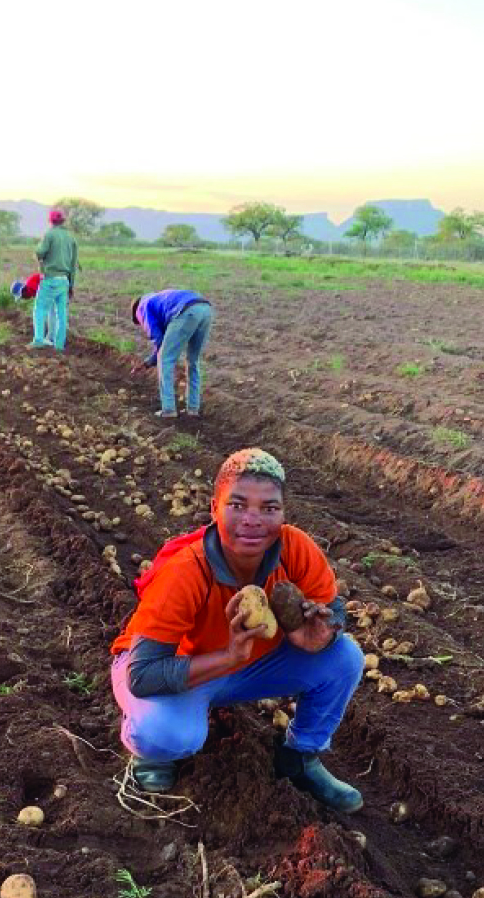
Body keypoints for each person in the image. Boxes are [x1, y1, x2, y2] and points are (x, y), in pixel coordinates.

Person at [110, 448, 364, 812]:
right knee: (165, 734)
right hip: (172, 668)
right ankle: (151, 756)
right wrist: (229, 656)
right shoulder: (186, 571)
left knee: (345, 658)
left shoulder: (295, 548)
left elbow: (334, 609)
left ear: (283, 512)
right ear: (215, 508)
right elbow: (143, 674)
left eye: (269, 508)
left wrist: (326, 632)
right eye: (238, 505)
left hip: (247, 666)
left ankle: (301, 756)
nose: (253, 520)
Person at [131, 289, 212, 418]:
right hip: (205, 308)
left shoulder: (142, 307)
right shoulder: (157, 299)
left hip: (185, 311)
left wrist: (149, 362)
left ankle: (168, 410)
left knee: (165, 360)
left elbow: (158, 340)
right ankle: (193, 409)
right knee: (193, 361)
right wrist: (148, 363)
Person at [29, 209, 77, 350]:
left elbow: (39, 252)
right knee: (61, 313)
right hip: (64, 280)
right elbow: (73, 265)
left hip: (50, 278)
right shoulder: (71, 238)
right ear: (63, 221)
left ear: (50, 221)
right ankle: (59, 345)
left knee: (40, 309)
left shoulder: (49, 234)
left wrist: (38, 251)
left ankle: (38, 340)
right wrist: (71, 286)